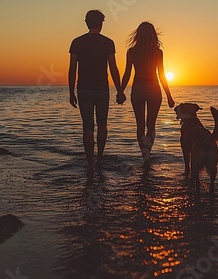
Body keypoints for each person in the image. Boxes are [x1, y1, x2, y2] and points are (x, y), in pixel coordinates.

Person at [68, 10, 126, 171]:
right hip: (102, 89)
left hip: (83, 89)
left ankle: (90, 163)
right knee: (102, 124)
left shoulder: (77, 42)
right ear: (101, 23)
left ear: (87, 23)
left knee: (87, 127)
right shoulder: (108, 42)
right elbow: (113, 68)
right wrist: (120, 90)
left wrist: (71, 92)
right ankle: (100, 157)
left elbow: (72, 69)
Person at [121, 22, 175, 167]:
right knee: (151, 125)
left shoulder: (131, 51)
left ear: (138, 35)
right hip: (153, 90)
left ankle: (144, 156)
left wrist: (120, 91)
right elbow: (162, 75)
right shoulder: (158, 52)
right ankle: (147, 154)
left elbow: (127, 73)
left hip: (137, 89)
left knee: (140, 126)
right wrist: (169, 96)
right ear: (153, 35)